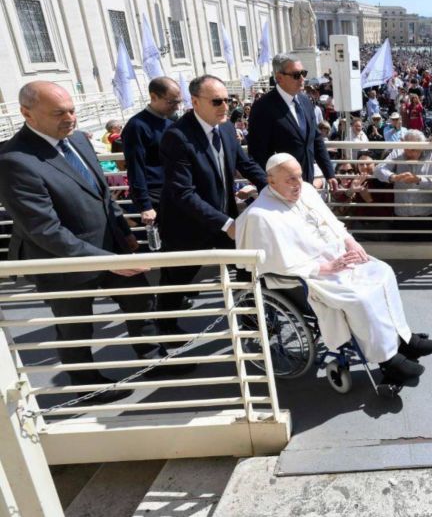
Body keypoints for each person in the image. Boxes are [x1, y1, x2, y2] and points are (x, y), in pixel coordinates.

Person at [0, 82, 190, 403]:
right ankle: (86, 386)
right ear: (26, 114)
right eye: (59, 113)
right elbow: (44, 229)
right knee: (76, 327)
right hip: (62, 261)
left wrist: (124, 232)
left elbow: (103, 195)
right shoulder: (13, 159)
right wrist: (107, 260)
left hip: (110, 246)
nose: (71, 118)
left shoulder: (77, 140)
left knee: (140, 301)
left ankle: (153, 359)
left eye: (72, 109)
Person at [236, 154, 432, 387]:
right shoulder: (260, 215)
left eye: (300, 176)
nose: (298, 183)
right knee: (361, 298)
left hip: (338, 258)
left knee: (383, 272)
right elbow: (274, 264)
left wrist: (349, 241)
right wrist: (324, 267)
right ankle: (387, 359)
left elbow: (333, 223)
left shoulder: (308, 191)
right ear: (271, 182)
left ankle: (404, 338)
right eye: (290, 179)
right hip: (309, 277)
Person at [158, 75, 268, 331]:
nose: (225, 106)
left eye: (227, 100)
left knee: (246, 270)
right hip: (187, 226)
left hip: (223, 220)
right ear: (195, 102)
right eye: (217, 101)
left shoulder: (227, 127)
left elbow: (245, 163)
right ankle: (166, 331)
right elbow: (183, 193)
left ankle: (251, 323)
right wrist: (226, 223)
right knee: (175, 283)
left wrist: (271, 186)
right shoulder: (176, 137)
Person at [247, 54, 334, 182]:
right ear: (279, 78)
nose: (303, 78)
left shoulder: (305, 101)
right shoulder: (263, 107)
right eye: (296, 75)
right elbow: (258, 153)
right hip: (281, 187)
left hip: (307, 183)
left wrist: (329, 174)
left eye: (303, 73)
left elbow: (316, 139)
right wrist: (268, 186)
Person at [123, 77, 183, 226]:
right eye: (172, 102)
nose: (176, 107)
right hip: (154, 195)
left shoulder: (171, 122)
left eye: (178, 102)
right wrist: (145, 205)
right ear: (154, 97)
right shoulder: (136, 126)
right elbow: (135, 167)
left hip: (175, 190)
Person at [373, 130, 432, 240]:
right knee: (401, 252)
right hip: (401, 217)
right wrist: (393, 177)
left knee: (426, 253)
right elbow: (378, 170)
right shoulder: (398, 152)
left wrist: (419, 180)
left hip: (425, 218)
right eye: (406, 148)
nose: (408, 153)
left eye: (413, 150)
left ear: (422, 146)